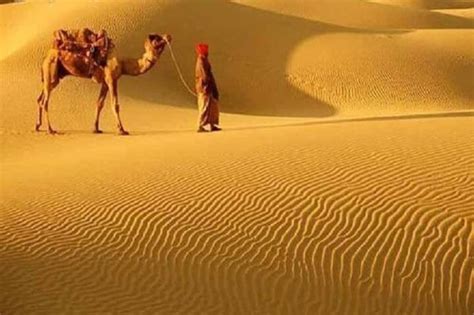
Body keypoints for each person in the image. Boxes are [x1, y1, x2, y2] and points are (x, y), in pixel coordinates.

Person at [195, 43, 221, 132]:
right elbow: (204, 76)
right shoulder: (201, 61)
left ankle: (212, 124)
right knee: (204, 107)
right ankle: (200, 125)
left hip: (209, 87)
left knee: (212, 106)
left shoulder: (205, 60)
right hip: (204, 87)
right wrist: (207, 85)